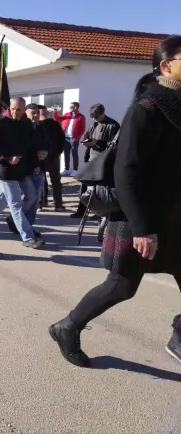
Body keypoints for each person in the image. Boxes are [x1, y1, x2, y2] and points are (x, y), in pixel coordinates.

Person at [49, 36, 181, 368]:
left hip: (175, 215)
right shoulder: (147, 108)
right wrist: (142, 228)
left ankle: (179, 337)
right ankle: (67, 327)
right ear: (166, 66)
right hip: (138, 216)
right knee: (121, 286)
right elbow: (127, 172)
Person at [0, 97, 45, 249]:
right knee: (15, 203)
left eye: (19, 110)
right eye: (13, 109)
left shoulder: (26, 124)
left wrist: (35, 164)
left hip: (21, 169)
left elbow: (30, 146)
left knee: (29, 197)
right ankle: (28, 237)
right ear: (9, 108)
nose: (15, 112)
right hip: (4, 171)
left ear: (24, 110)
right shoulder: (0, 123)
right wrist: (7, 158)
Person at [70, 103, 121, 220]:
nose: (94, 119)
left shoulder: (113, 125)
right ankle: (81, 211)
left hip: (103, 162)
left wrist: (97, 142)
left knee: (100, 190)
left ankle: (100, 212)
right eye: (92, 117)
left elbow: (114, 145)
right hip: (91, 159)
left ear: (103, 114)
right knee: (84, 186)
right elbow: (86, 136)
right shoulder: (93, 123)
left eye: (96, 117)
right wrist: (86, 141)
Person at [36, 105, 66, 211]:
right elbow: (62, 140)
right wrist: (56, 152)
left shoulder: (35, 124)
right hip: (53, 156)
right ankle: (58, 204)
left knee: (41, 180)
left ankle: (41, 203)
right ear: (47, 113)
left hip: (41, 156)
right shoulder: (54, 124)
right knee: (55, 180)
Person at [54, 101, 86, 177]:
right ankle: (66, 169)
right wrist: (55, 112)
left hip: (74, 139)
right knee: (66, 154)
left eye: (71, 106)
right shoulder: (67, 115)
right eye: (70, 106)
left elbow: (82, 129)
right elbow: (57, 119)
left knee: (74, 154)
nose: (70, 108)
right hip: (65, 138)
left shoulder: (81, 117)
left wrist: (77, 138)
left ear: (76, 107)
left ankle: (75, 170)